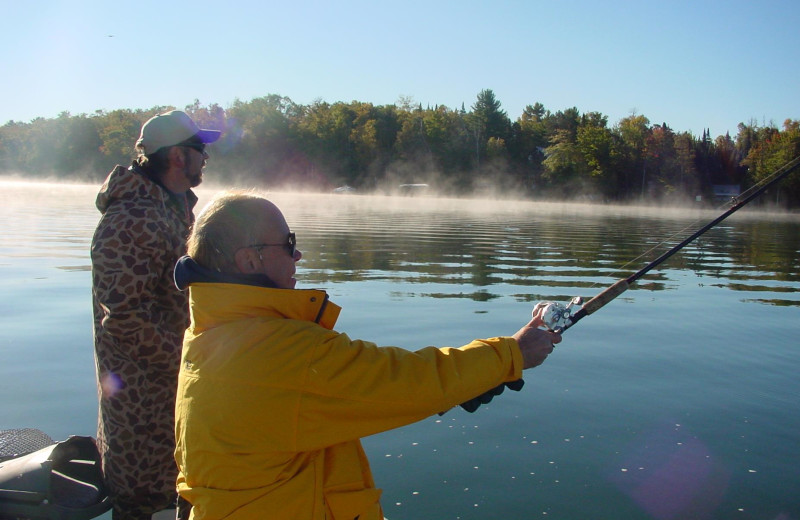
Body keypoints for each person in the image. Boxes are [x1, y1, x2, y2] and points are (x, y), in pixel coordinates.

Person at [172, 191, 562, 520]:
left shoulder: (208, 335)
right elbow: (408, 381)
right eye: (289, 244)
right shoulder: (278, 352)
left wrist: (469, 384)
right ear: (250, 261)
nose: (299, 255)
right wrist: (512, 353)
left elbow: (349, 394)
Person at [91, 110, 221, 520]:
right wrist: (191, 364)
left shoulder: (172, 208)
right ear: (178, 157)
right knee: (147, 505)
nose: (206, 159)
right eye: (200, 150)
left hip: (177, 405)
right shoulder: (129, 218)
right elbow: (124, 321)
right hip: (142, 420)